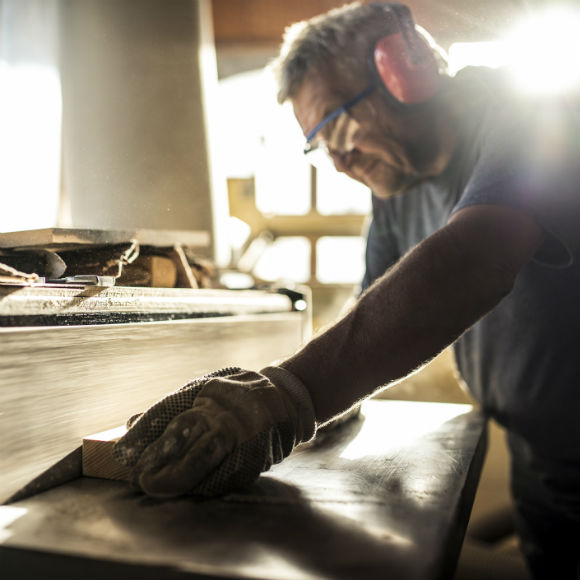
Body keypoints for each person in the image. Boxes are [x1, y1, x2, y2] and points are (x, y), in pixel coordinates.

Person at [113, 3, 579, 578]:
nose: (336, 161)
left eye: (336, 124)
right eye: (318, 144)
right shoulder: (397, 189)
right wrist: (302, 395)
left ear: (403, 72)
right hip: (542, 457)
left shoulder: (532, 110)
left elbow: (478, 255)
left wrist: (289, 394)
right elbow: (371, 312)